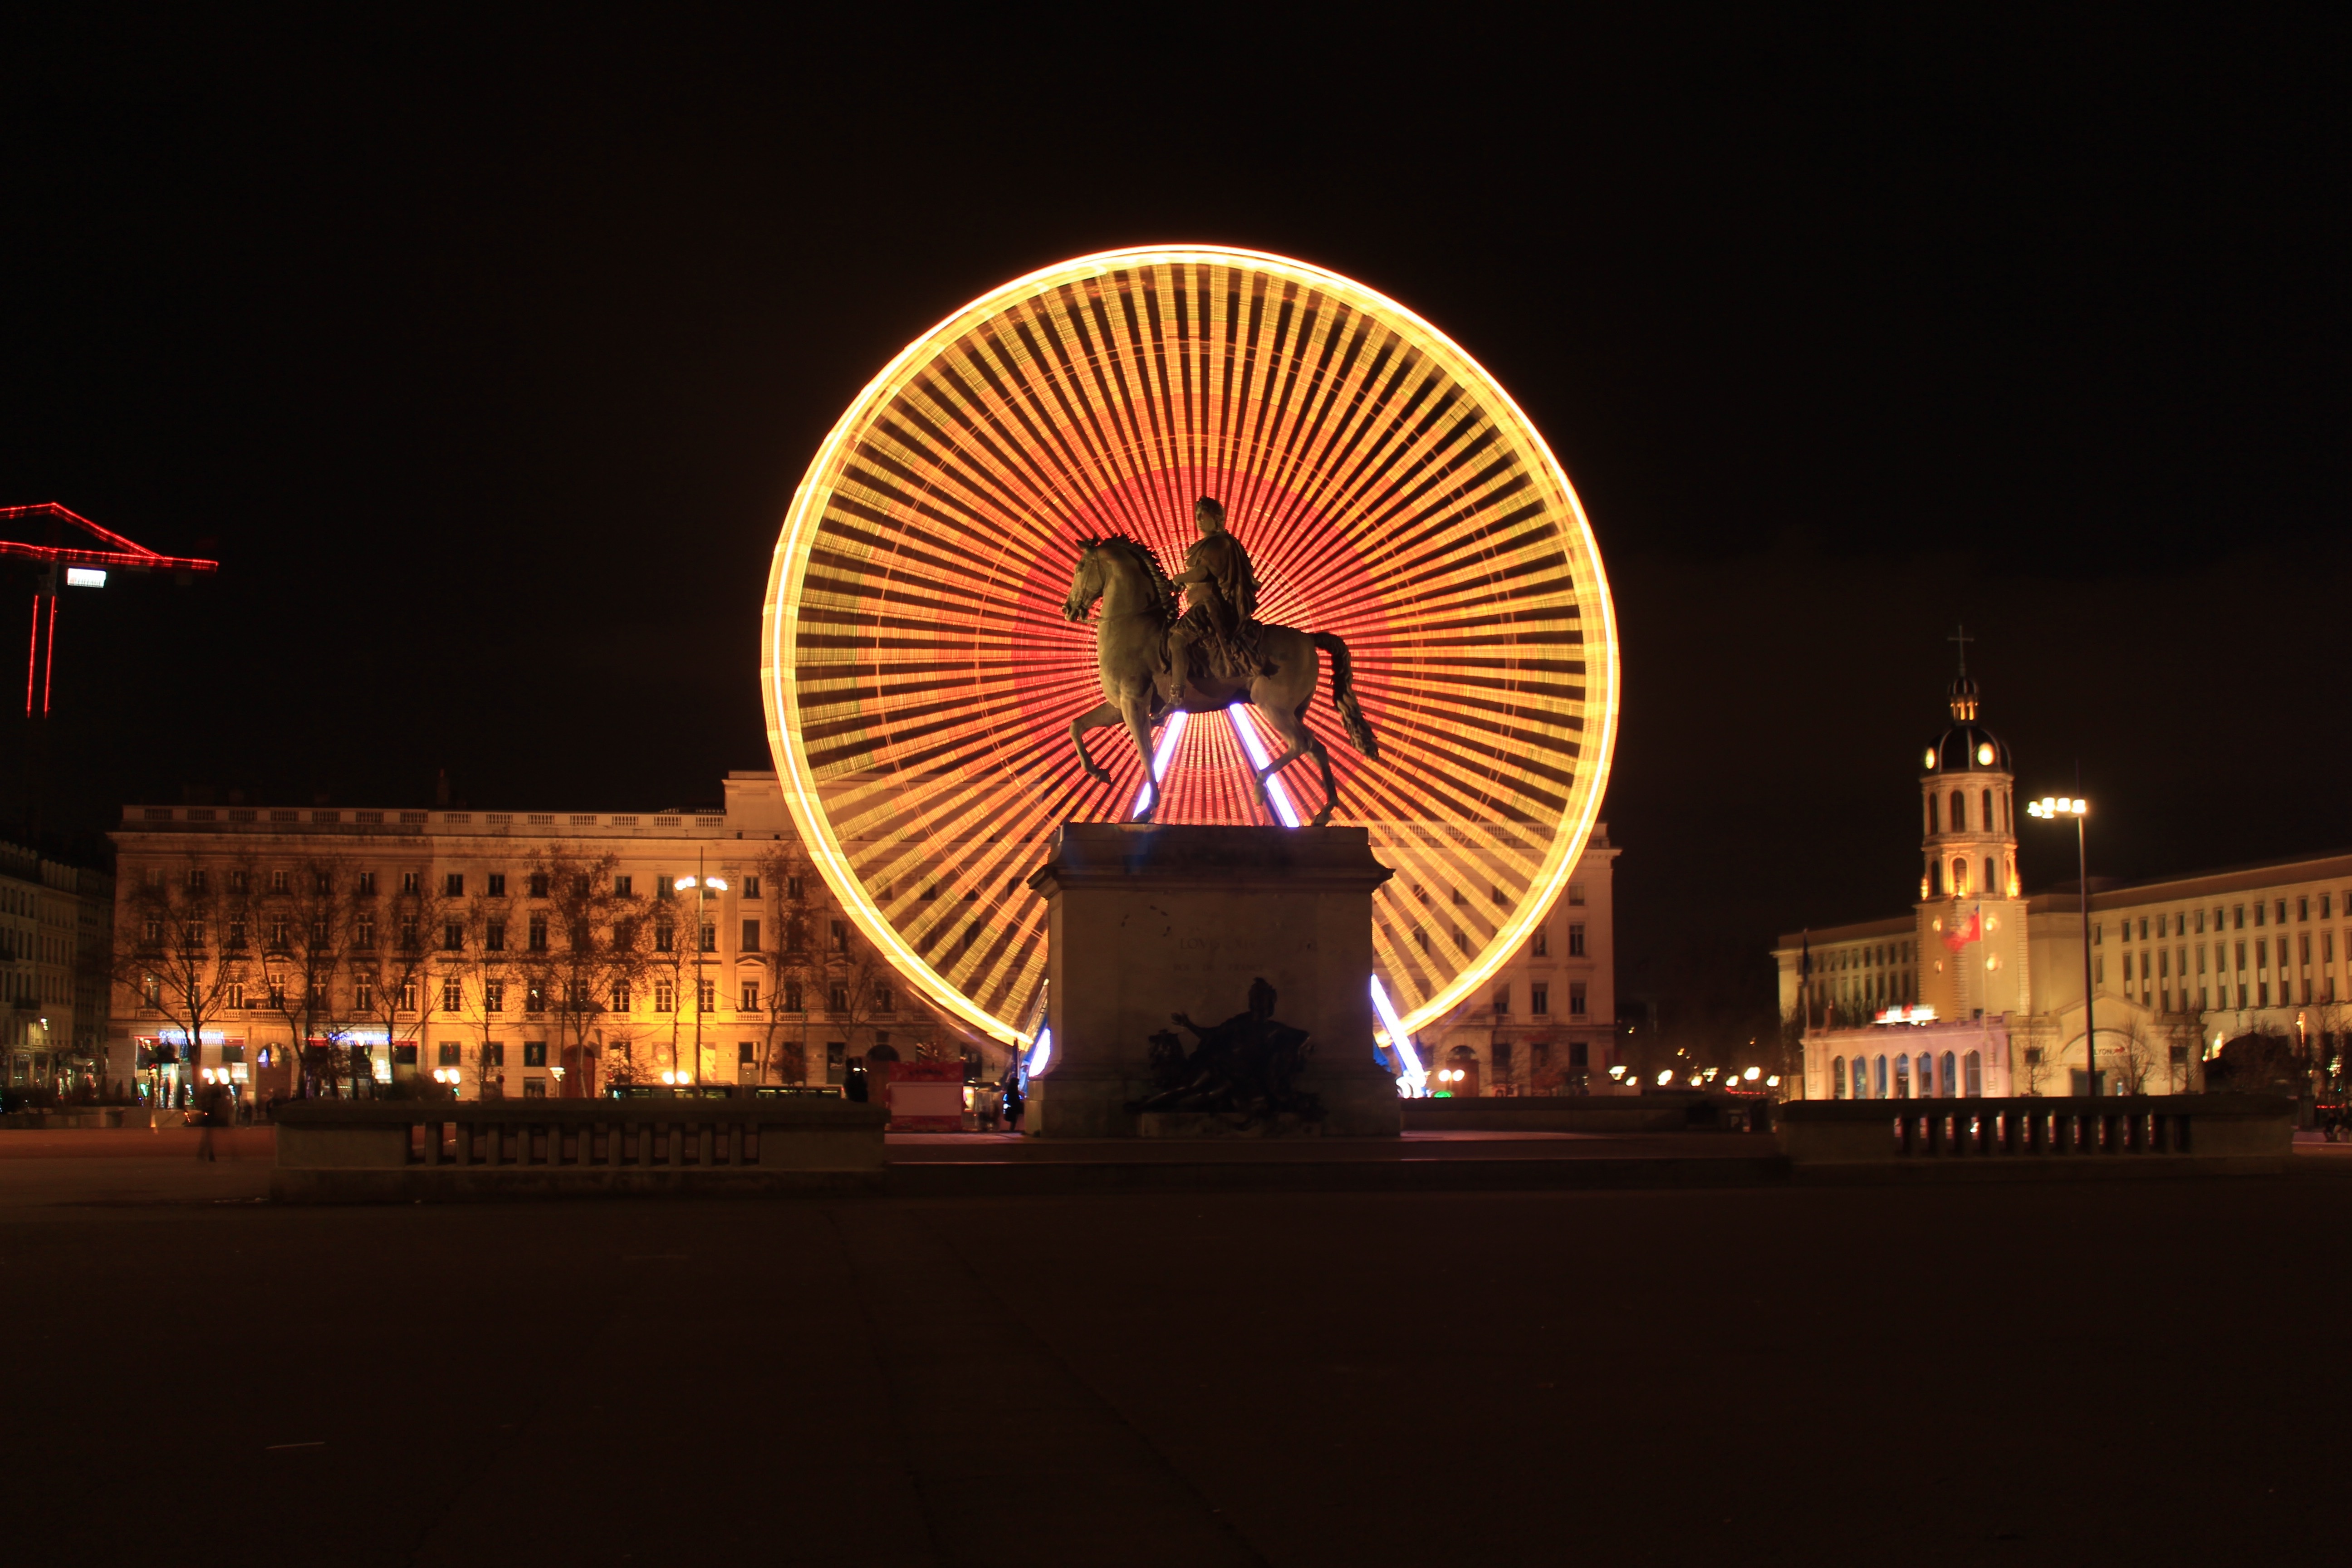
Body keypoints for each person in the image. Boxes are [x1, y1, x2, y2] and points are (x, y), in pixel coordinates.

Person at [1164, 496, 1260, 701]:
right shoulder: (1207, 544)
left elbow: (1203, 573)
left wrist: (1179, 578)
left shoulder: (1220, 544)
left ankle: (1176, 695)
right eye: (1197, 516)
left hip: (1211, 607)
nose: (1198, 520)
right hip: (1201, 606)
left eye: (1203, 516)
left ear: (1216, 519)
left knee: (1177, 640)